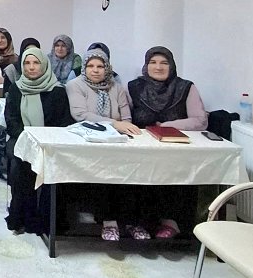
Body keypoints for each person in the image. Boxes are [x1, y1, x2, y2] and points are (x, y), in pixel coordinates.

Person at [126, 46, 209, 239]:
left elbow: (200, 120)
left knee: (174, 181)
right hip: (140, 150)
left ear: (172, 66)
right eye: (153, 62)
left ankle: (170, 222)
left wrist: (167, 125)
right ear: (146, 66)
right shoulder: (133, 87)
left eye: (164, 63)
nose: (158, 67)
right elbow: (125, 116)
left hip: (176, 149)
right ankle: (137, 223)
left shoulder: (186, 87)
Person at [66, 49, 142, 241]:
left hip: (118, 140)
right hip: (89, 141)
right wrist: (115, 124)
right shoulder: (75, 85)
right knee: (103, 173)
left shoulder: (116, 87)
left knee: (133, 172)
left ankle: (130, 221)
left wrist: (122, 127)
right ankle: (107, 221)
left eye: (100, 66)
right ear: (84, 68)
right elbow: (81, 115)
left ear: (107, 68)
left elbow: (126, 117)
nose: (96, 70)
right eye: (91, 66)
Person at [4, 47, 73, 233]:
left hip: (51, 143)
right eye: (27, 63)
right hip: (22, 140)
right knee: (20, 166)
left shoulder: (57, 91)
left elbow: (63, 121)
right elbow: (11, 120)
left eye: (36, 63)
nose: (31, 67)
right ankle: (22, 216)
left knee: (55, 167)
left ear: (44, 64)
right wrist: (30, 139)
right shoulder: (16, 88)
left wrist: (46, 141)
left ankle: (47, 219)